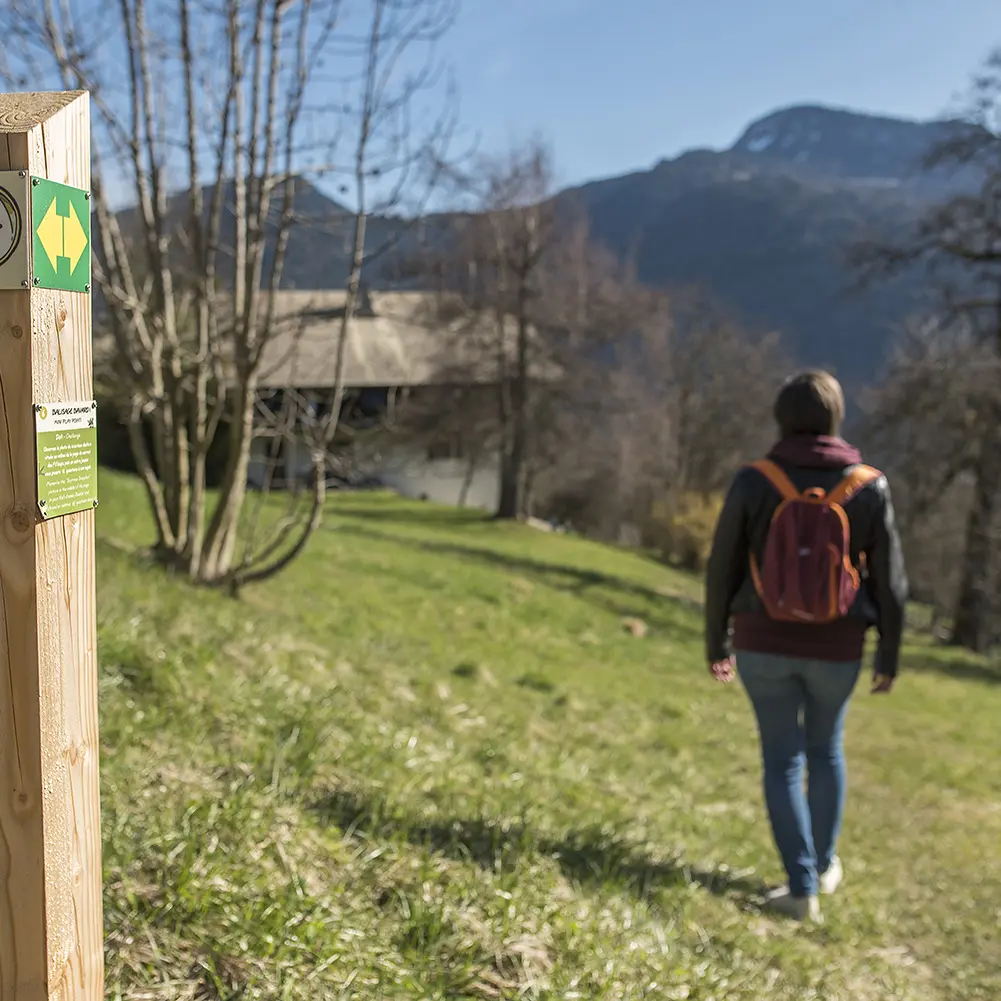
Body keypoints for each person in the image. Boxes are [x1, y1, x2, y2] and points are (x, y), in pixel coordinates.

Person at [704, 370, 908, 923]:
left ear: (781, 418)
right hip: (838, 649)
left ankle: (800, 889)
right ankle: (821, 866)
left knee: (782, 760)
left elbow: (722, 567)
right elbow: (890, 583)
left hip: (762, 643)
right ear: (836, 418)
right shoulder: (868, 485)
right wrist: (888, 656)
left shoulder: (754, 480)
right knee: (826, 751)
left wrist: (716, 641)